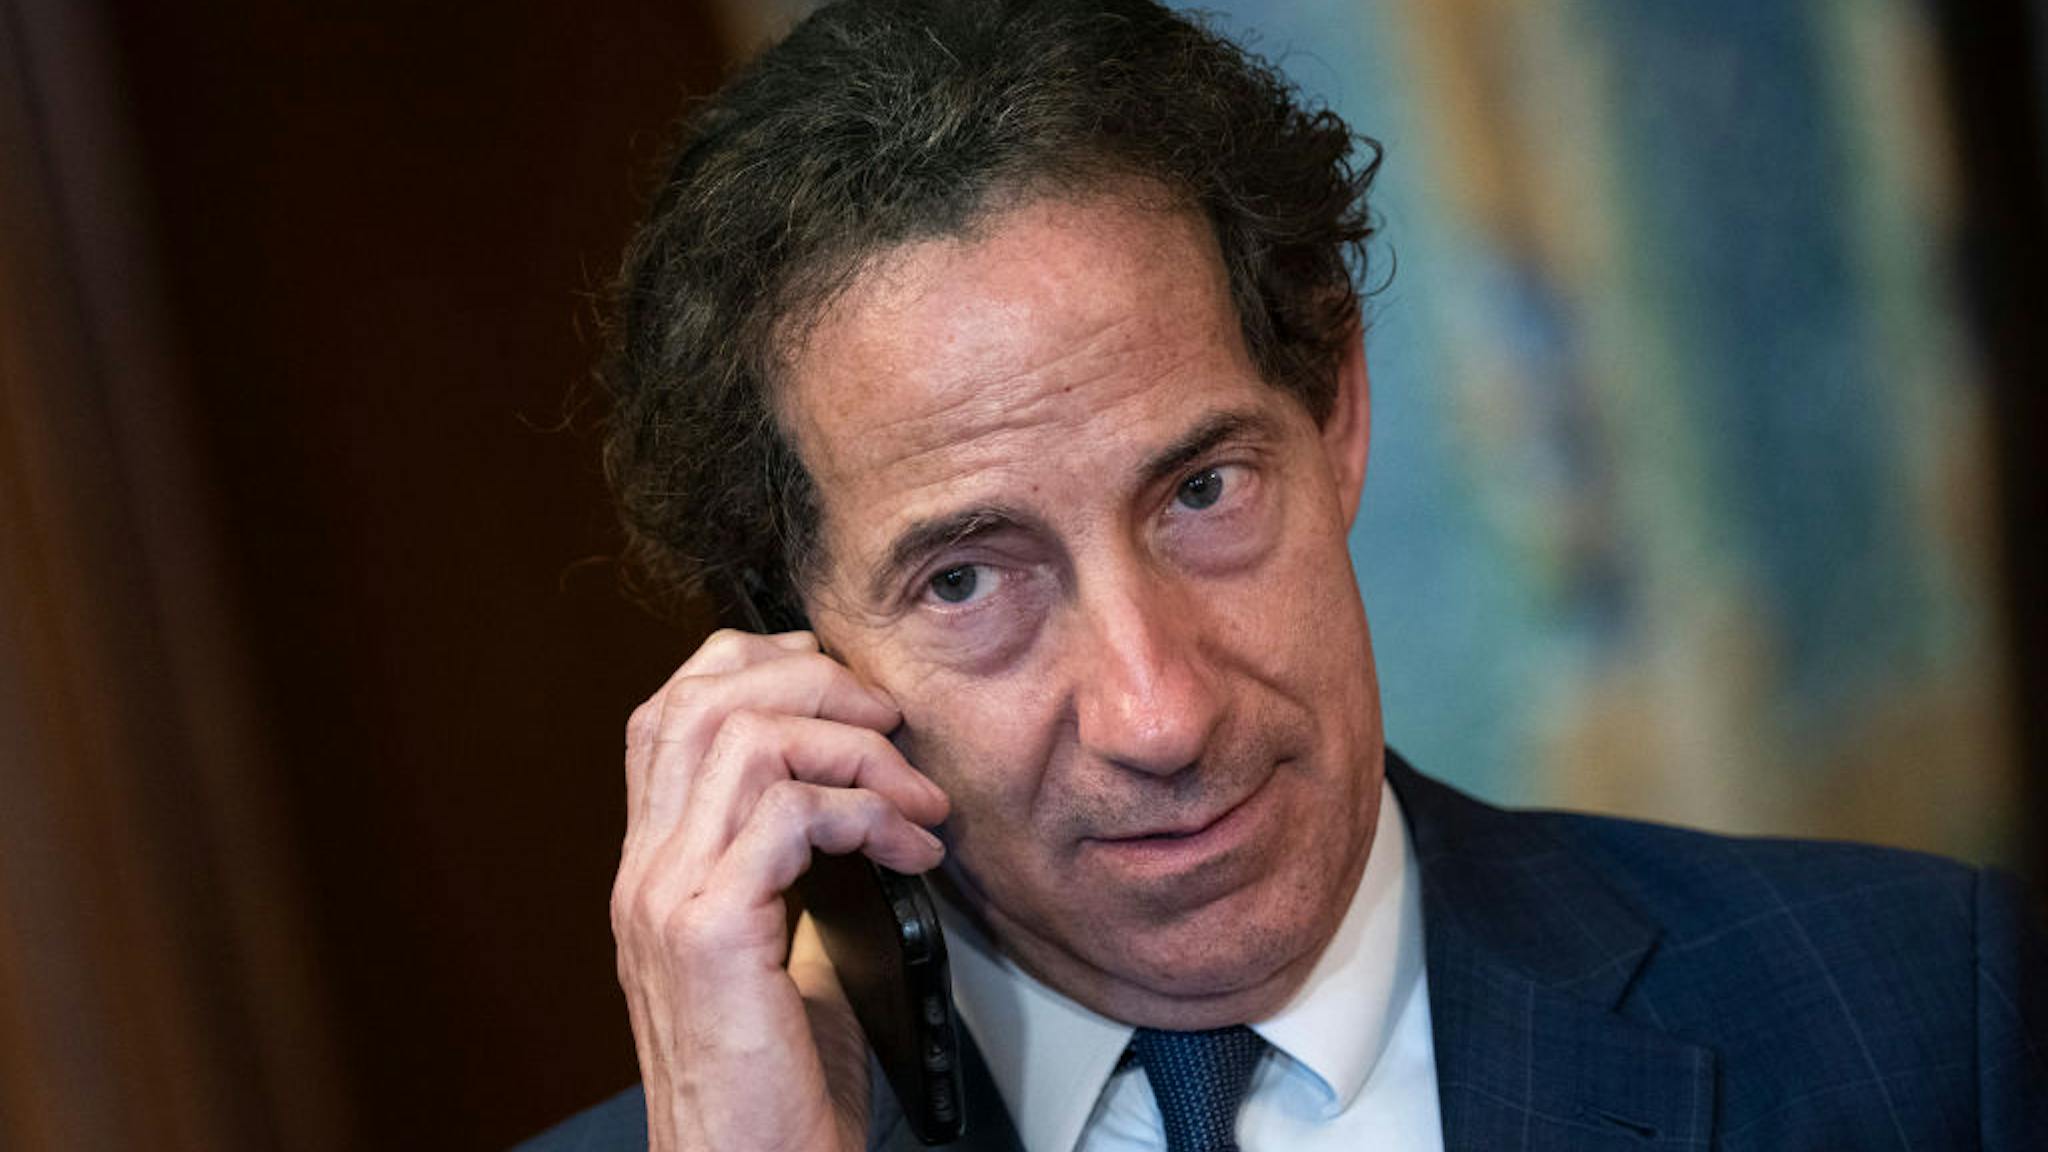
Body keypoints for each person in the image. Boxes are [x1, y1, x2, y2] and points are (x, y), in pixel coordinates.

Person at [520, 1, 2047, 1148]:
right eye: (970, 583)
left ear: (1336, 413)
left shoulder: (1922, 1018)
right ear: (794, 648)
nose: (1159, 709)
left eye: (1200, 491)